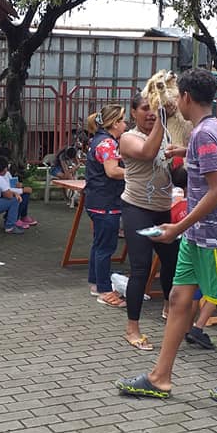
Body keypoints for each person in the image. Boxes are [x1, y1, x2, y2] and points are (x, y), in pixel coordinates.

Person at [115, 69, 217, 404]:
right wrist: (183, 152)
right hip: (196, 238)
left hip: (213, 239)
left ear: (185, 97)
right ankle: (160, 378)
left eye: (175, 98)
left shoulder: (205, 133)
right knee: (179, 299)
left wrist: (177, 227)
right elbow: (213, 165)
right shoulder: (206, 130)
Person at [118, 92, 180, 351]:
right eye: (145, 108)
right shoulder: (128, 138)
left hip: (162, 209)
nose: (151, 113)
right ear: (133, 112)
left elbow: (172, 169)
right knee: (141, 268)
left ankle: (168, 308)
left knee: (173, 263)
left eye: (155, 108)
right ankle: (132, 328)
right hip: (137, 210)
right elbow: (147, 152)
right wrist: (164, 120)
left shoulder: (164, 136)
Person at [85, 104, 128, 308]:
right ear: (115, 123)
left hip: (97, 200)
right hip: (106, 202)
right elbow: (112, 171)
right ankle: (104, 290)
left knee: (99, 245)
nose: (126, 124)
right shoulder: (108, 143)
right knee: (105, 247)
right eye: (123, 120)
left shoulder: (98, 140)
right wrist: (135, 174)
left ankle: (96, 283)